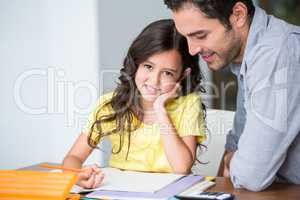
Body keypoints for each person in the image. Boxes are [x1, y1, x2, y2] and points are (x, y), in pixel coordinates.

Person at [164, 0, 300, 192]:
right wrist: (234, 159)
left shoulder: (275, 53)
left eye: (200, 35)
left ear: (238, 14)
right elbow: (234, 145)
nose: (192, 49)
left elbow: (251, 175)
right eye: (186, 38)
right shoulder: (247, 56)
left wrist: (235, 160)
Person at [62, 19, 206, 189]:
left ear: (183, 75)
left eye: (167, 73)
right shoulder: (110, 104)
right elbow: (73, 158)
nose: (154, 80)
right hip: (119, 192)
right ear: (136, 63)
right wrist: (78, 174)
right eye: (148, 67)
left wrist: (160, 109)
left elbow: (181, 167)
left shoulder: (188, 104)